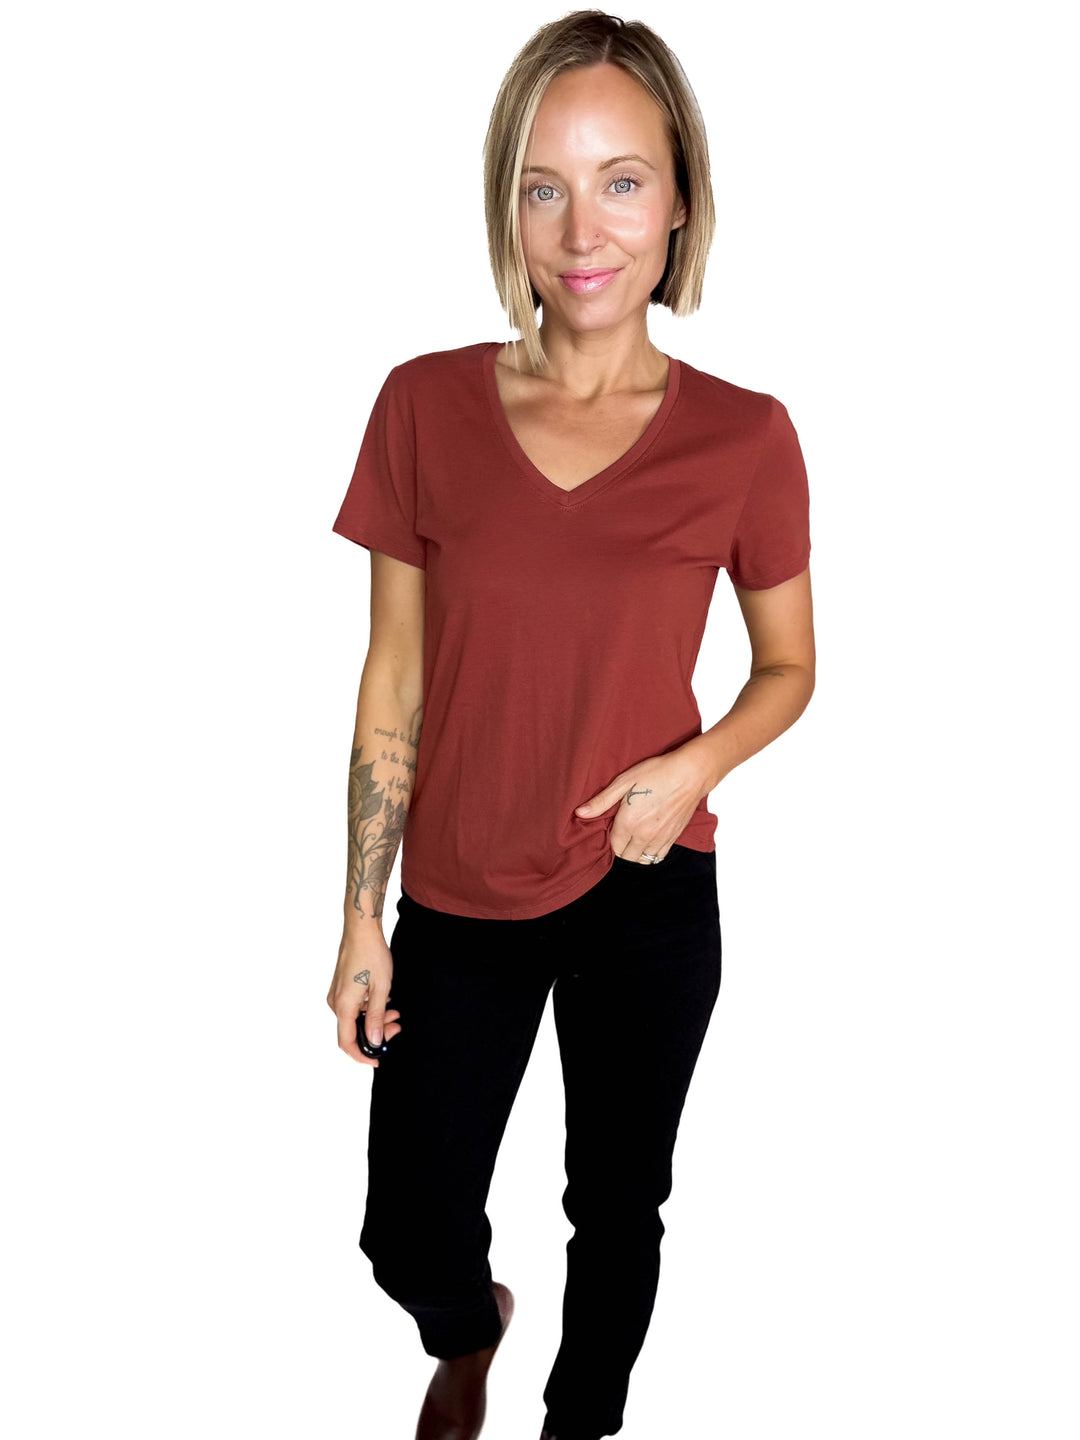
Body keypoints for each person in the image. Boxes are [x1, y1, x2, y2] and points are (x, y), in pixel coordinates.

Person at [325, 11, 815, 1439]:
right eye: (544, 185)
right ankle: (464, 1325)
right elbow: (394, 675)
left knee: (617, 1203)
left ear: (680, 202)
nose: (581, 229)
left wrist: (693, 768)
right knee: (406, 1220)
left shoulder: (746, 437)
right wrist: (361, 915)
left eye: (622, 181)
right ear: (508, 204)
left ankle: (577, 1422)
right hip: (461, 886)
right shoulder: (423, 405)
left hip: (646, 883)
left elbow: (789, 668)